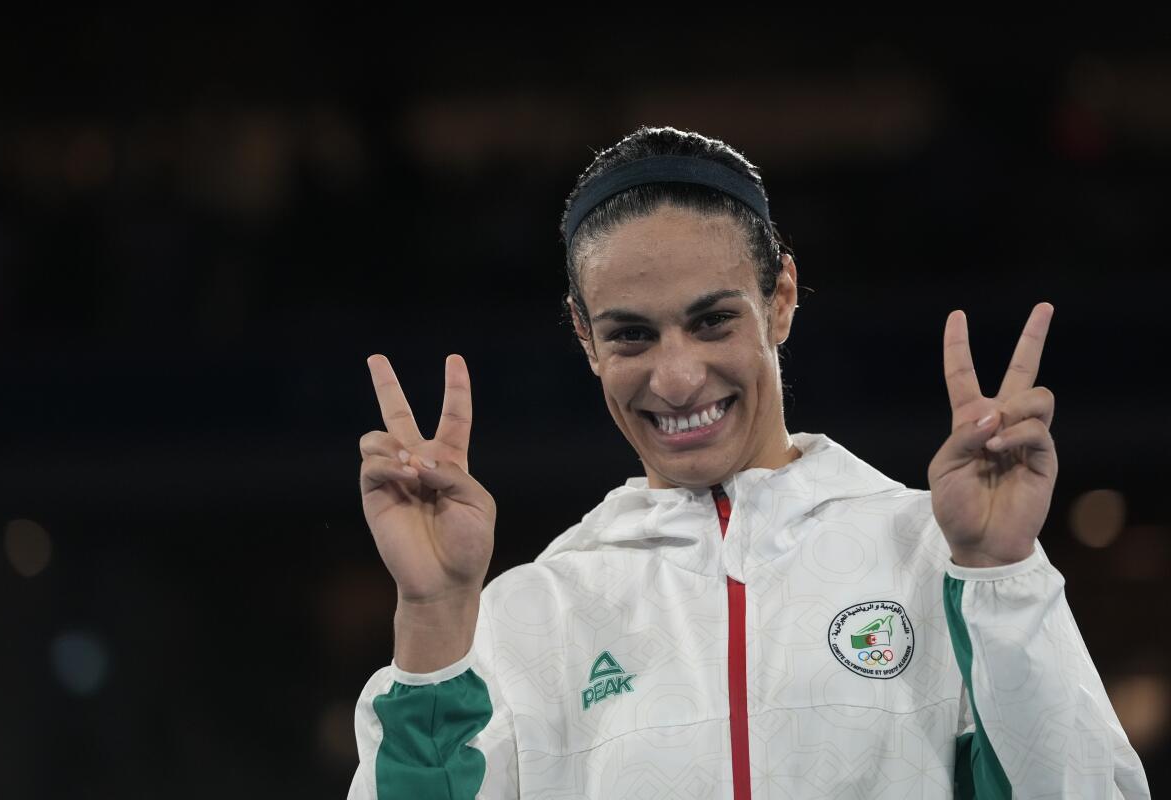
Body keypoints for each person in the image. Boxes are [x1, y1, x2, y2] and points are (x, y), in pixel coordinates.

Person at [348, 126, 1149, 798]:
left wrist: (1000, 579)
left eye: (712, 321)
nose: (677, 377)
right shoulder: (529, 619)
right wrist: (433, 620)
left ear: (782, 299)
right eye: (631, 334)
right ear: (584, 337)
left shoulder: (936, 555)